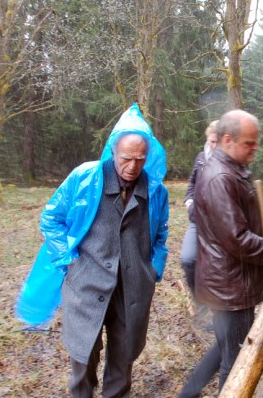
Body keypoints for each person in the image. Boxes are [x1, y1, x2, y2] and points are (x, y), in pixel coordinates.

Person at [16, 103, 169, 398]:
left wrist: (153, 269)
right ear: (113, 150)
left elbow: (161, 234)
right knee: (83, 362)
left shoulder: (156, 191)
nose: (133, 166)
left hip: (133, 289)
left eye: (140, 159)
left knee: (123, 362)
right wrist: (67, 260)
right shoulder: (84, 178)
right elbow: (51, 218)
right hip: (85, 287)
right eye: (127, 158)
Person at [178, 109, 263, 397]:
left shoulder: (231, 169)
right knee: (233, 364)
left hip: (228, 284)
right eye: (249, 143)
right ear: (227, 139)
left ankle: (187, 393)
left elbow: (251, 215)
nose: (255, 147)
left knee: (225, 347)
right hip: (230, 288)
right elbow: (239, 240)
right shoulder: (220, 177)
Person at [179, 120, 217, 314]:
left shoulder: (230, 162)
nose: (214, 145)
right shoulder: (201, 157)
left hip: (219, 224)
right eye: (211, 141)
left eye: (217, 141)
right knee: (188, 260)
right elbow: (192, 183)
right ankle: (200, 300)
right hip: (197, 220)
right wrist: (189, 202)